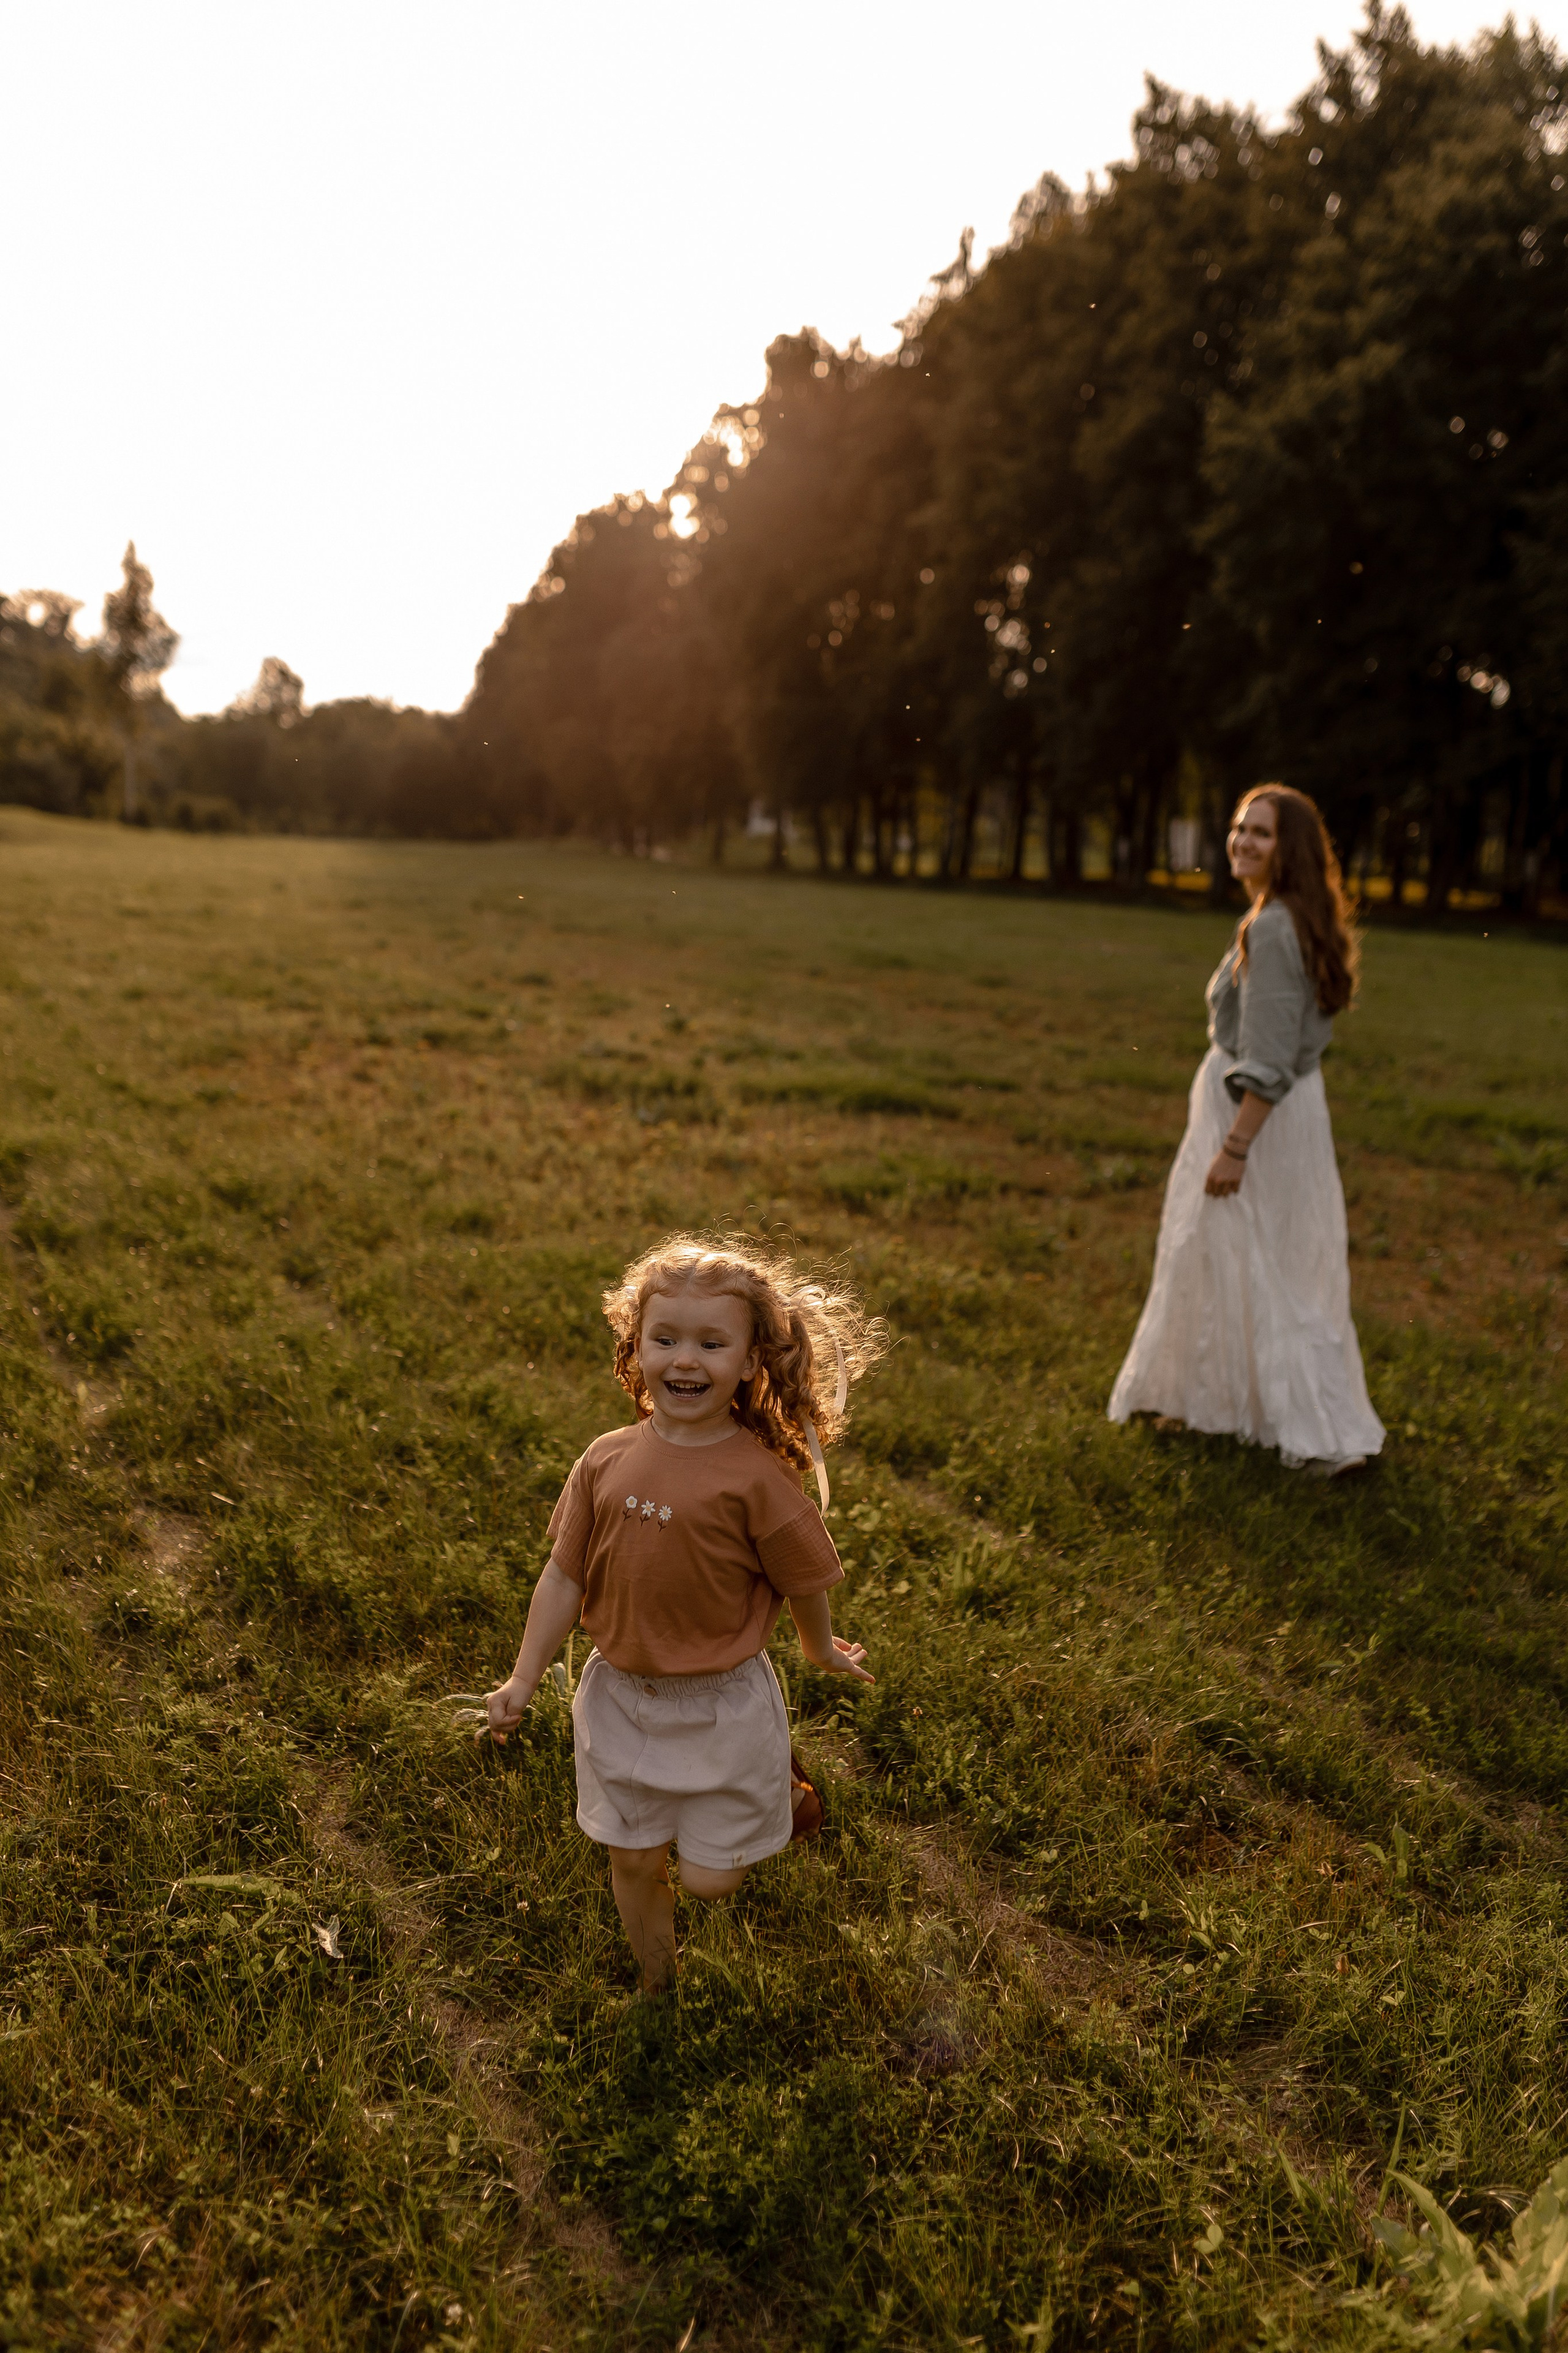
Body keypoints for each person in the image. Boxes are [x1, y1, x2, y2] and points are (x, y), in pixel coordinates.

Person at [480, 1236, 884, 1992]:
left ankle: (779, 1794)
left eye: (710, 1342)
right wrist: (523, 1678)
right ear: (636, 1347)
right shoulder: (604, 1459)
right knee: (631, 1857)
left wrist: (821, 1647)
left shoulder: (758, 1479)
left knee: (707, 1881)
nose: (685, 1360)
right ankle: (657, 1983)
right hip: (620, 1698)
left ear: (749, 1360)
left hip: (722, 1705)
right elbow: (563, 1579)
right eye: (664, 1339)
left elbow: (802, 1578)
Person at [1108, 785, 1384, 1474]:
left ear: (1288, 847)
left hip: (1254, 1118)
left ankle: (1314, 1429)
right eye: (1238, 829)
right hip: (1282, 1114)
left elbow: (1267, 1059)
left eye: (1260, 832)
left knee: (1262, 1261)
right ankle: (1213, 1401)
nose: (1242, 842)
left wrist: (1235, 1146)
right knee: (1233, 1253)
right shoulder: (1291, 916)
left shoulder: (1271, 927)